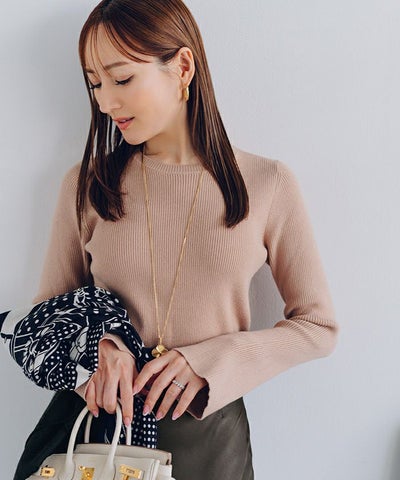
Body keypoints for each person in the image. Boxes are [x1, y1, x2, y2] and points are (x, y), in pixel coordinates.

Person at [13, 0, 338, 479]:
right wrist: (98, 348)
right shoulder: (87, 185)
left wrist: (211, 361)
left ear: (183, 67)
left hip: (210, 439)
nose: (105, 103)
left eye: (122, 79)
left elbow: (318, 326)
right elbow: (45, 317)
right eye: (95, 84)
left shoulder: (267, 184)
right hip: (100, 439)